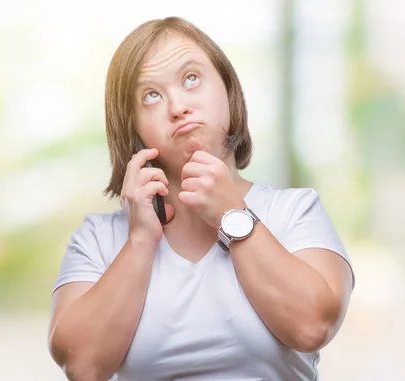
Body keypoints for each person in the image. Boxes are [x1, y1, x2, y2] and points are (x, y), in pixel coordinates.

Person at [48, 16, 355, 381]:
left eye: (191, 78)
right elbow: (82, 366)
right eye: (151, 96)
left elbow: (313, 327)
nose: (177, 106)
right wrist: (141, 240)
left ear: (228, 89)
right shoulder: (98, 239)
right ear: (134, 128)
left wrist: (232, 213)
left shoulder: (295, 211)